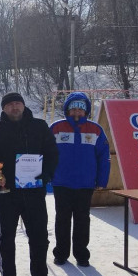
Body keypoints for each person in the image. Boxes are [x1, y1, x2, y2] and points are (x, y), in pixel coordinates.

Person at [0, 93, 60, 276]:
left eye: (18, 103)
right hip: (7, 193)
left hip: (34, 191)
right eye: (10, 105)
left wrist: (46, 174)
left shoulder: (40, 127)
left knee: (40, 236)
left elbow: (52, 153)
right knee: (7, 237)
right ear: (4, 109)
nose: (14, 107)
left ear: (23, 106)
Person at [50, 92, 110, 267]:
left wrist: (102, 180)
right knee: (62, 218)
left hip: (85, 183)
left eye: (81, 109)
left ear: (86, 111)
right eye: (73, 108)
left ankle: (82, 254)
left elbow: (104, 157)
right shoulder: (56, 127)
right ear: (67, 110)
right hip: (62, 182)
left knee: (82, 219)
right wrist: (46, 175)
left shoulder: (96, 129)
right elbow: (46, 152)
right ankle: (61, 253)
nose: (77, 112)